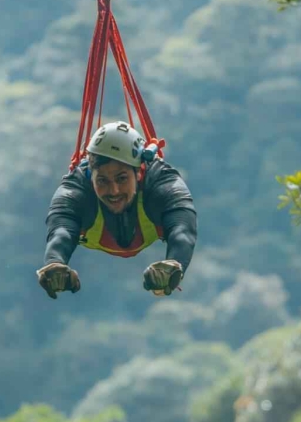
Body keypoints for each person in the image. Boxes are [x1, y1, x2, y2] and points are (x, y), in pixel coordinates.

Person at [37, 121, 197, 299]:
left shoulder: (162, 183)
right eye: (102, 181)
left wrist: (174, 263)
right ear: (91, 176)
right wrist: (54, 263)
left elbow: (183, 230)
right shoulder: (76, 192)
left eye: (122, 178)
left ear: (139, 172)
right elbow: (60, 233)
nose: (114, 191)